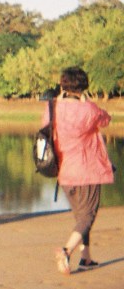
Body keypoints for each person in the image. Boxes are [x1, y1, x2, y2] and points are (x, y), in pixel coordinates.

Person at [45, 67, 114, 275]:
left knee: (81, 217)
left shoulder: (52, 108)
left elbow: (46, 129)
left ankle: (86, 258)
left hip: (64, 171)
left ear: (63, 84)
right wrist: (86, 103)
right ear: (84, 86)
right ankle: (66, 251)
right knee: (88, 216)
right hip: (87, 170)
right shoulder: (88, 109)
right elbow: (106, 119)